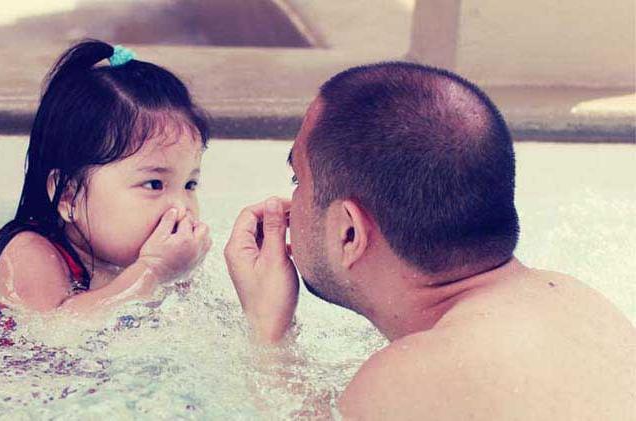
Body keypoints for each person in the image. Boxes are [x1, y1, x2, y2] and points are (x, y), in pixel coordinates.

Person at [224, 62, 635, 420]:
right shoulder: (577, 301)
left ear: (349, 233)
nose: (290, 207)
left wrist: (268, 336)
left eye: (298, 180)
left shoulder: (408, 378)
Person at [0, 39, 212, 313]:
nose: (181, 207)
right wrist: (153, 271)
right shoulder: (28, 252)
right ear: (69, 196)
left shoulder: (137, 261)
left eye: (190, 184)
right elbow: (55, 333)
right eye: (154, 184)